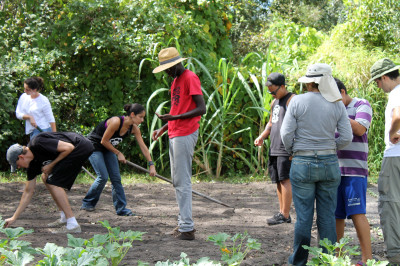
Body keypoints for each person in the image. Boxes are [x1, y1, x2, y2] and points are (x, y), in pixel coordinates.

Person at [280, 63, 352, 265]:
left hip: (302, 161)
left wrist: (294, 150)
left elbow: (286, 134)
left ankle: (299, 262)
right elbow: (346, 137)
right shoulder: (337, 103)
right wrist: (330, 147)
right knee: (327, 217)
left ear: (309, 82)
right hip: (329, 162)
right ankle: (326, 261)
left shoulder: (297, 101)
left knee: (303, 217)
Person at [152, 47, 206, 240]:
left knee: (182, 181)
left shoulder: (190, 77)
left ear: (176, 64)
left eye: (167, 68)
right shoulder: (175, 81)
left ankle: (187, 228)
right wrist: (164, 127)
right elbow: (178, 109)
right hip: (175, 132)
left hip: (186, 132)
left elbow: (202, 108)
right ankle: (183, 222)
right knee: (177, 181)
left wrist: (176, 117)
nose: (166, 72)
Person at [4, 132, 94, 233]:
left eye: (17, 165)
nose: (19, 168)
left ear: (21, 157)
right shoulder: (32, 166)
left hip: (81, 146)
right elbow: (28, 192)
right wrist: (14, 217)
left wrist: (51, 165)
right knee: (45, 177)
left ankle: (72, 224)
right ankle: (64, 217)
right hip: (73, 150)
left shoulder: (37, 143)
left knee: (53, 182)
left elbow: (69, 147)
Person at [81, 103, 156, 216]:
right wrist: (118, 153)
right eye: (140, 117)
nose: (142, 120)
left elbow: (143, 147)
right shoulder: (116, 122)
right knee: (103, 177)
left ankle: (121, 209)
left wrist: (151, 164)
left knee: (116, 178)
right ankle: (87, 203)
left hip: (108, 149)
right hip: (94, 146)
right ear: (132, 114)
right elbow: (103, 141)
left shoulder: (134, 128)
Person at [334, 78, 373, 265]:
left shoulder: (361, 104)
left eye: (334, 98)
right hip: (333, 172)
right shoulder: (332, 109)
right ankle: (337, 257)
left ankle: (367, 260)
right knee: (336, 215)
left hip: (355, 171)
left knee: (358, 213)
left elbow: (359, 129)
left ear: (342, 92)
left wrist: (339, 113)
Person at [369, 58, 400, 264]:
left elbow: (398, 115)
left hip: (396, 156)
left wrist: (392, 132)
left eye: (378, 82)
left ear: (385, 77)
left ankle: (396, 255)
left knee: (390, 203)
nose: (378, 87)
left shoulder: (396, 92)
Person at [254, 72, 294, 225]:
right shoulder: (274, 103)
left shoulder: (292, 100)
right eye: (269, 92)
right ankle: (282, 212)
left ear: (283, 86)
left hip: (286, 148)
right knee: (277, 179)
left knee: (285, 179)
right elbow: (271, 123)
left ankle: (285, 214)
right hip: (274, 146)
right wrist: (262, 136)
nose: (271, 94)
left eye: (274, 91)